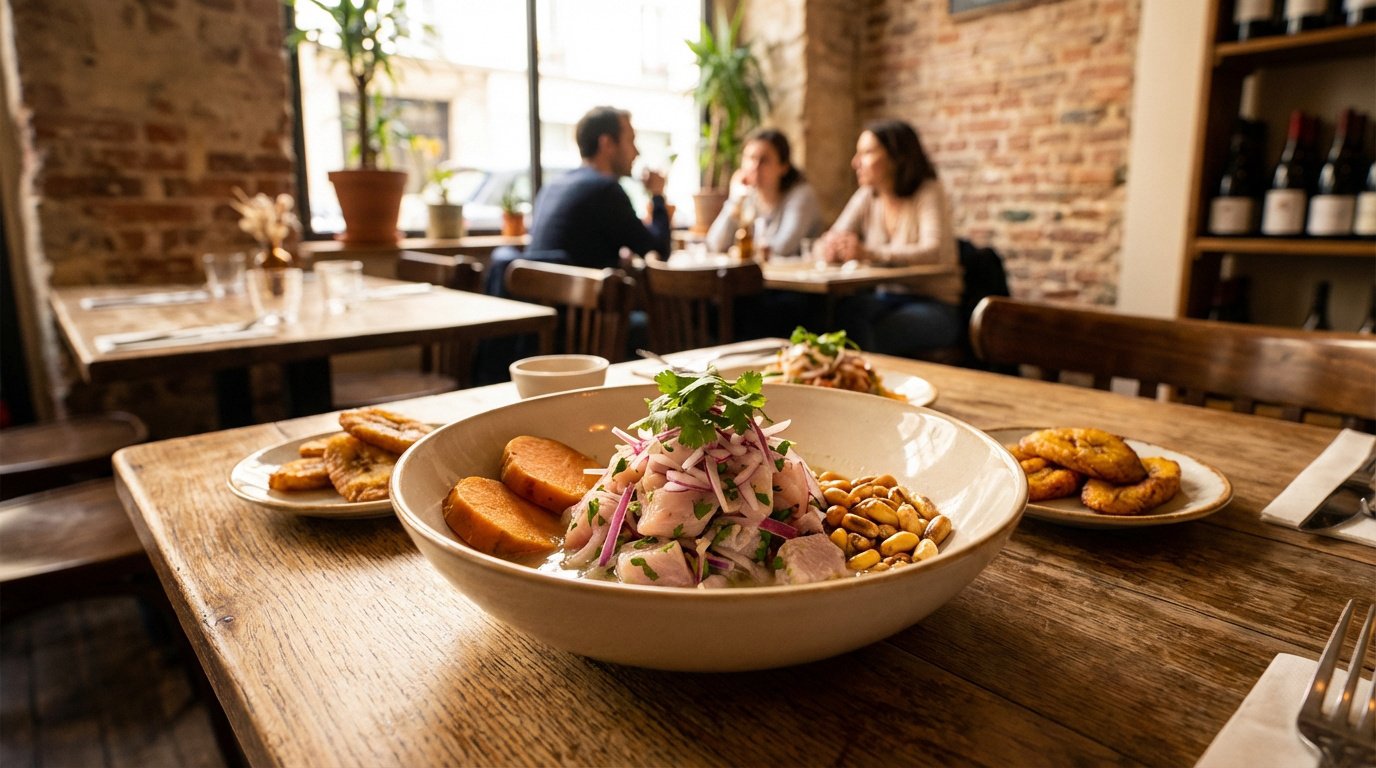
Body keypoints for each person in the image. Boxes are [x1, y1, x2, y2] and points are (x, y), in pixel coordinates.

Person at [815, 119, 964, 358]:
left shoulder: (928, 191)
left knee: (869, 333)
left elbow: (933, 250)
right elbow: (828, 238)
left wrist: (868, 253)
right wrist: (829, 249)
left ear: (897, 157)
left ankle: (870, 390)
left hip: (935, 305)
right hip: (885, 297)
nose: (855, 162)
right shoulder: (867, 195)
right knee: (836, 316)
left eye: (867, 153)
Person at [526, 106, 672, 270]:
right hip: (572, 294)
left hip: (533, 294)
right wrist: (657, 194)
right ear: (607, 143)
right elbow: (659, 251)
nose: (637, 152)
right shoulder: (605, 190)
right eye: (630, 140)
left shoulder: (553, 186)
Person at [705, 128, 822, 259]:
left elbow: (783, 247)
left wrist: (743, 250)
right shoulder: (748, 197)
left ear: (784, 166)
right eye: (750, 158)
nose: (755, 166)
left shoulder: (802, 196)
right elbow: (715, 244)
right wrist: (734, 200)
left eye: (764, 160)